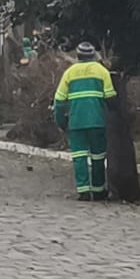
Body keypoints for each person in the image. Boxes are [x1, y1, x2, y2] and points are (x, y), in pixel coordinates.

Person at [52, 42, 118, 202]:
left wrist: (61, 122)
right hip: (97, 121)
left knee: (79, 157)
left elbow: (59, 102)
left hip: (76, 122)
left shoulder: (69, 73)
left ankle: (83, 192)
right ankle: (98, 191)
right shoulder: (102, 71)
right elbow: (111, 98)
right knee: (98, 157)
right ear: (94, 55)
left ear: (78, 56)